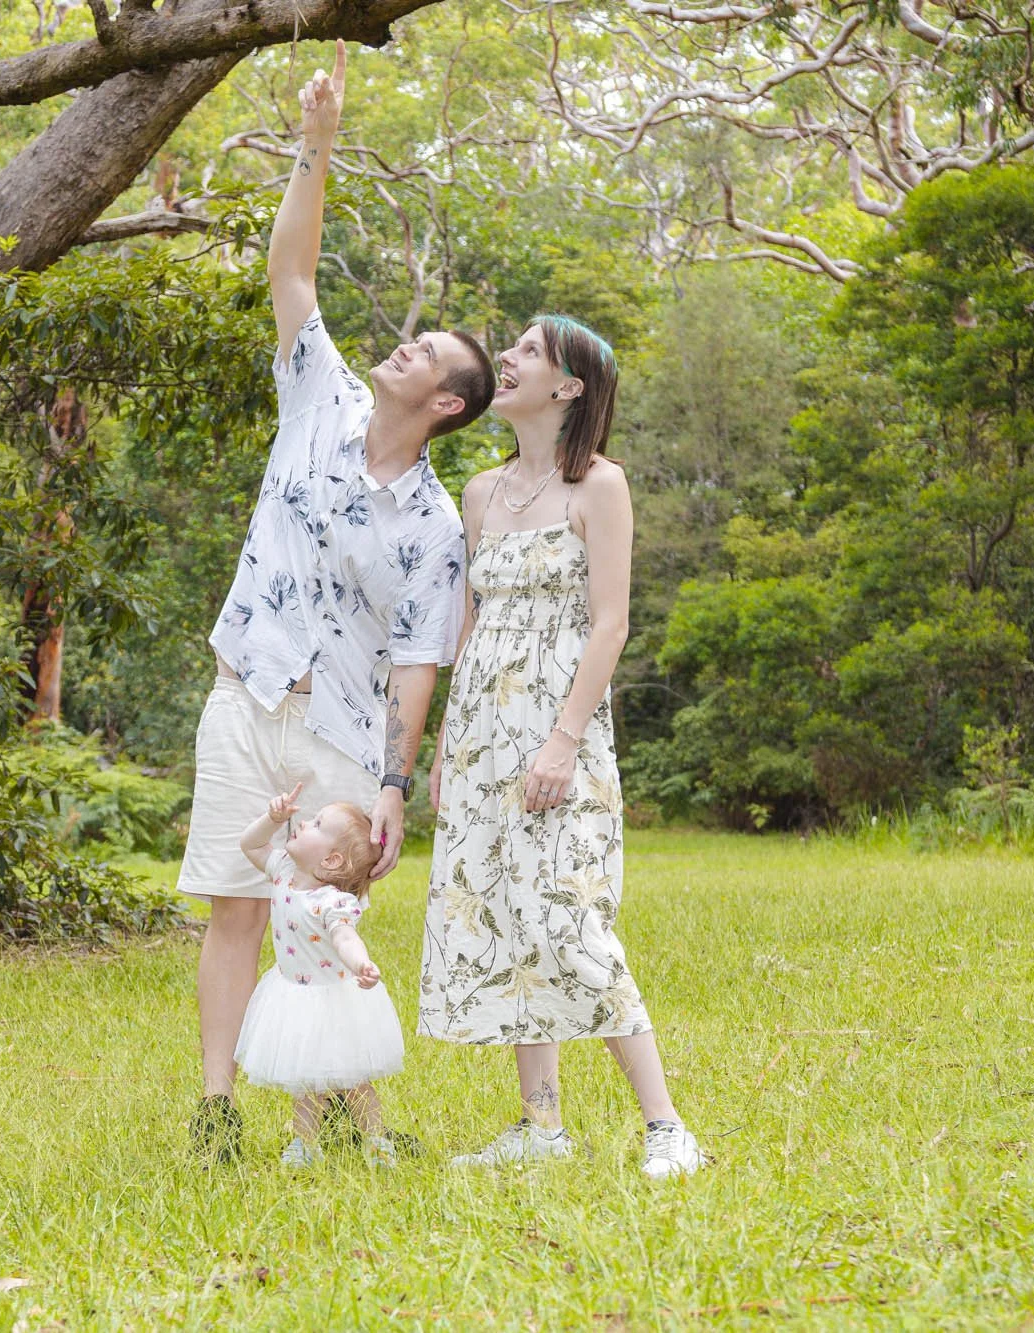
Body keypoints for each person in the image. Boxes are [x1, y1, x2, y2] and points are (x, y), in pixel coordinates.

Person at [181, 40, 497, 1163]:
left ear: (450, 404)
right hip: (249, 687)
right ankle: (217, 1110)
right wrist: (314, 147)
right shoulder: (318, 392)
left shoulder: (432, 524)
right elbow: (294, 276)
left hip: (345, 729)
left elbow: (421, 655)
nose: (399, 348)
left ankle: (356, 1124)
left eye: (422, 354)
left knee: (336, 925)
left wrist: (399, 782)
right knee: (233, 902)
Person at [418, 316, 704, 1180]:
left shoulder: (600, 487)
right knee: (510, 919)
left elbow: (610, 624)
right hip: (480, 736)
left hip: (558, 730)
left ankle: (667, 1129)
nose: (507, 359)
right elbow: (468, 622)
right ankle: (539, 1125)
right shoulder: (479, 490)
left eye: (529, 352)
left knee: (572, 918)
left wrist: (562, 742)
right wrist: (443, 747)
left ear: (569, 386)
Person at [233, 783, 404, 1167]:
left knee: (354, 1081)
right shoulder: (283, 871)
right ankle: (305, 1144)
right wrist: (271, 818)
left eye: (316, 824)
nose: (303, 823)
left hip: (333, 1001)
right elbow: (250, 845)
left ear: (330, 861)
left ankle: (376, 1139)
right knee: (305, 1082)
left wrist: (362, 963)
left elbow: (345, 937)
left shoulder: (332, 902)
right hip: (294, 997)